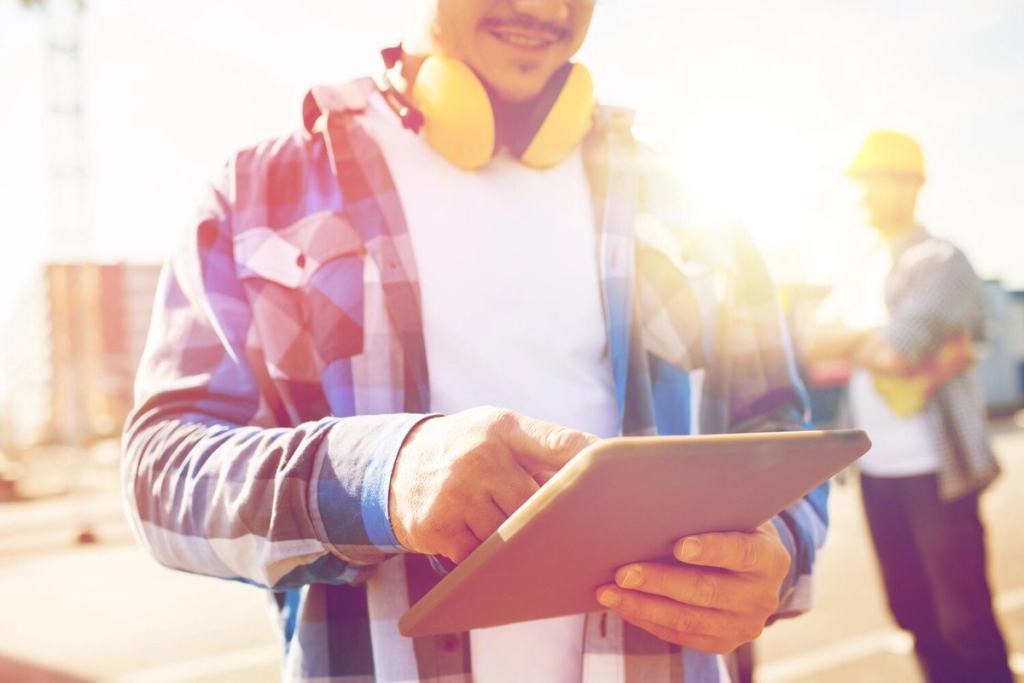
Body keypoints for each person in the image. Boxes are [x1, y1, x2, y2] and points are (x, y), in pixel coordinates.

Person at [122, 1, 828, 681]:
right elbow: (159, 476)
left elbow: (778, 426)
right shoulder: (253, 190)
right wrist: (386, 475)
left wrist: (779, 553)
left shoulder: (690, 198)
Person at [802, 130, 1012, 683]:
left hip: (936, 470)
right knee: (911, 613)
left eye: (877, 180)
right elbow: (812, 344)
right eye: (861, 182)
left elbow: (896, 351)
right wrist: (875, 342)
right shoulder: (858, 267)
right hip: (876, 470)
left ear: (913, 183)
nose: (864, 194)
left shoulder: (942, 260)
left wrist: (859, 342)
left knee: (964, 622)